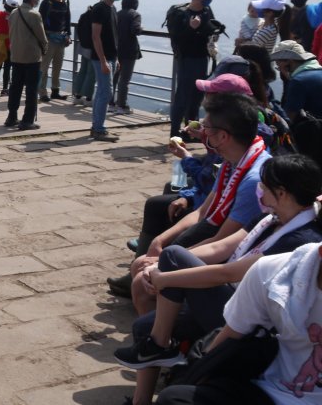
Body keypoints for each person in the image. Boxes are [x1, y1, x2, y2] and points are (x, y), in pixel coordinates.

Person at [119, 154, 322, 405]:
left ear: (281, 193)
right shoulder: (269, 219)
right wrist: (159, 266)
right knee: (145, 322)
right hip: (228, 295)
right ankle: (143, 394)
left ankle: (160, 345)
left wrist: (167, 276)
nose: (260, 192)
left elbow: (229, 272)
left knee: (172, 256)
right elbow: (221, 248)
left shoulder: (302, 239)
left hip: (249, 316)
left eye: (264, 187)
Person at [129, 93, 271, 314]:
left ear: (223, 136)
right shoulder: (233, 162)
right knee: (142, 264)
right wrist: (160, 240)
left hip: (231, 260)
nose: (203, 134)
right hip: (213, 240)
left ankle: (160, 337)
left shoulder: (254, 180)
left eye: (207, 129)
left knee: (140, 280)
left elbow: (222, 242)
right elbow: (203, 211)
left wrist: (165, 261)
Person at [167, 0, 222, 139]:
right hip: (186, 59)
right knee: (182, 96)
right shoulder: (181, 14)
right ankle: (174, 132)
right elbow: (177, 39)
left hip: (202, 58)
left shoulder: (206, 11)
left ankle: (190, 132)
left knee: (197, 97)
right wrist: (191, 28)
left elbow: (208, 31)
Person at [4, 0, 48, 131]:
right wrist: (45, 49)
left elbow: (11, 33)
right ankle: (27, 120)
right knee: (31, 89)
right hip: (32, 57)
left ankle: (11, 117)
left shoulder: (14, 13)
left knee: (15, 87)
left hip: (16, 56)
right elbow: (42, 37)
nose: (38, 0)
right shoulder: (34, 15)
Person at [89, 0, 124, 142]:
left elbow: (114, 36)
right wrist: (103, 60)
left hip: (110, 56)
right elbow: (96, 36)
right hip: (101, 57)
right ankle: (98, 128)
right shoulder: (99, 9)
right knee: (105, 92)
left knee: (102, 91)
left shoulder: (113, 9)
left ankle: (96, 126)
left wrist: (115, 58)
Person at [38, 0, 71, 102]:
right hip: (48, 37)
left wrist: (68, 34)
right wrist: (42, 38)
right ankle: (42, 92)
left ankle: (55, 91)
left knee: (58, 66)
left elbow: (67, 19)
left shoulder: (66, 1)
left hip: (61, 38)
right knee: (44, 66)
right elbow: (40, 21)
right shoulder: (47, 2)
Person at [271, 41, 322, 117]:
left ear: (288, 61)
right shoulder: (318, 72)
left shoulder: (298, 81)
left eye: (278, 62)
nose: (278, 66)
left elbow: (290, 117)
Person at [114, 0, 143, 114]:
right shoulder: (135, 15)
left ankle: (111, 103)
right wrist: (140, 29)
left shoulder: (117, 14)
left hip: (116, 49)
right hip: (129, 51)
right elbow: (135, 29)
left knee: (114, 78)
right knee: (125, 79)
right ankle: (122, 105)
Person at [0, 0, 19, 97]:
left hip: (0, 45)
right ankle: (5, 89)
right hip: (11, 45)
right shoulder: (16, 16)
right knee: (7, 68)